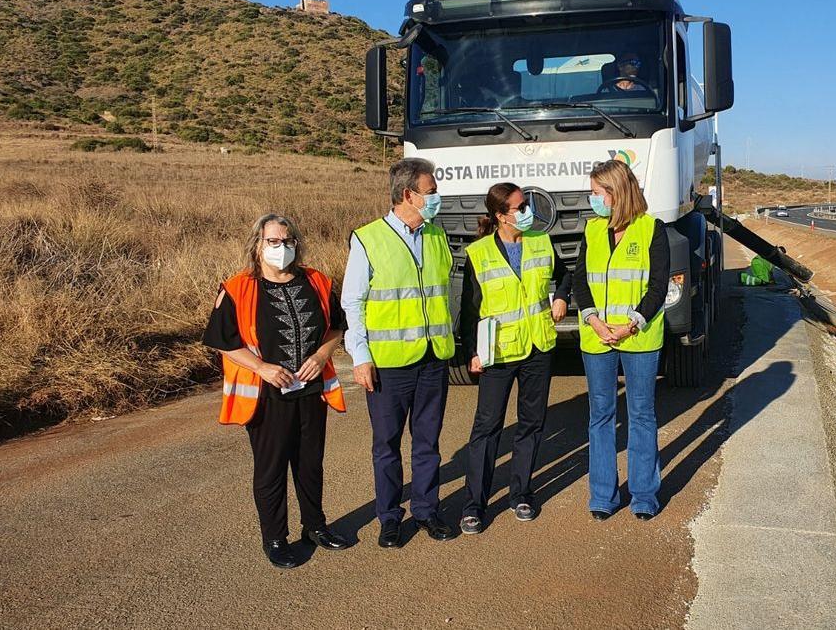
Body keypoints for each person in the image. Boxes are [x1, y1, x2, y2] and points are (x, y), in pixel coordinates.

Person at [202, 213, 351, 569]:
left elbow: (336, 327)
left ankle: (315, 526)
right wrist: (262, 368)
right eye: (273, 241)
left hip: (311, 389)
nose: (281, 248)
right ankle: (275, 538)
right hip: (267, 395)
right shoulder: (237, 288)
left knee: (310, 464)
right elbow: (222, 342)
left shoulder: (317, 280)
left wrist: (321, 354)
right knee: (271, 470)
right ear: (257, 246)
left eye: (288, 241)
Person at [342, 158, 456, 548]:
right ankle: (389, 518)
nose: (437, 195)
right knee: (386, 446)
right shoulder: (367, 239)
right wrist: (360, 356)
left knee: (428, 442)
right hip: (388, 365)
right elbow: (352, 302)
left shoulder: (436, 236)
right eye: (432, 189)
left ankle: (427, 511)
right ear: (409, 194)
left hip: (432, 357)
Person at [457, 183, 571, 534]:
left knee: (531, 423)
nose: (528, 212)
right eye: (521, 207)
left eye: (528, 205)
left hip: (538, 347)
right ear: (499, 216)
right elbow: (469, 309)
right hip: (499, 352)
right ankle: (474, 504)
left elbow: (565, 274)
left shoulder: (540, 241)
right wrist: (472, 353)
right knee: (487, 427)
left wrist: (562, 297)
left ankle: (521, 493)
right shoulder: (478, 253)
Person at [573, 159, 669, 521]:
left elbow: (659, 285)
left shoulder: (651, 229)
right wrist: (595, 322)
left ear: (616, 193)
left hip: (639, 337)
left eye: (597, 192)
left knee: (641, 414)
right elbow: (581, 280)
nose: (592, 198)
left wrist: (631, 325)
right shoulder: (592, 230)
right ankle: (603, 496)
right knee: (601, 415)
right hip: (597, 337)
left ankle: (644, 495)